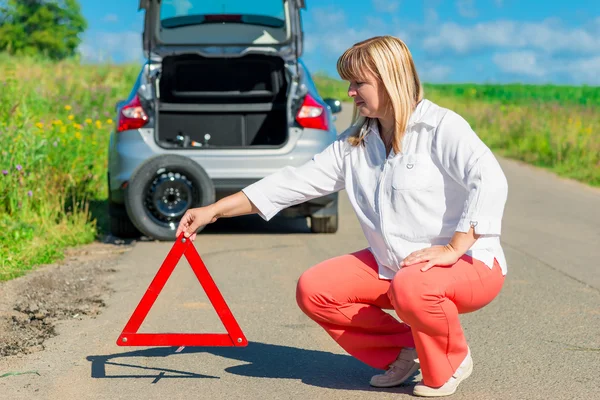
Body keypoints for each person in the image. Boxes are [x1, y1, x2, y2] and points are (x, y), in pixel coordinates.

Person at [176, 35, 509, 398]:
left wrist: (454, 247)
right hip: (399, 268)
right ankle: (404, 350)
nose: (350, 92)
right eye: (349, 83)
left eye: (358, 82)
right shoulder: (357, 142)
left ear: (389, 79)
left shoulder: (441, 128)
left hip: (470, 265)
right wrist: (213, 211)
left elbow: (489, 178)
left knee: (413, 286)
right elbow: (292, 184)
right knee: (316, 289)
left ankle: (451, 357)